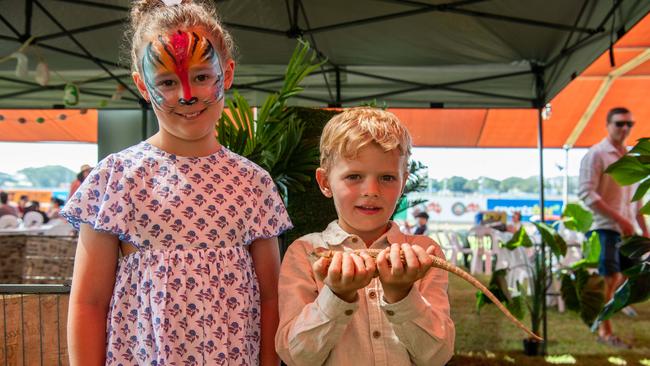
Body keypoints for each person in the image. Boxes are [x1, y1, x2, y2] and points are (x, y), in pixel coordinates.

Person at [61, 1, 292, 364]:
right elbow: (89, 303)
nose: (187, 94)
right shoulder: (118, 178)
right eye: (167, 82)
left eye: (202, 76)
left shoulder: (253, 183)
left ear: (227, 73)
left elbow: (271, 297)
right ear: (142, 85)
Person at [275, 108, 455, 366]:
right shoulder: (305, 251)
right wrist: (336, 296)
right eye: (354, 176)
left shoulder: (424, 252)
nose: (371, 191)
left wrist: (402, 293)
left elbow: (436, 356)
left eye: (387, 177)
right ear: (325, 182)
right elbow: (296, 356)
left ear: (403, 184)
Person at [578, 106, 649, 349]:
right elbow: (586, 193)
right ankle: (605, 332)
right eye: (619, 123)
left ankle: (614, 306)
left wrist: (644, 228)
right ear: (608, 124)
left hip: (629, 232)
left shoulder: (631, 157)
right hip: (605, 228)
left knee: (630, 274)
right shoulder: (596, 154)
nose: (625, 128)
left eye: (629, 124)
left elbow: (636, 199)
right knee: (608, 280)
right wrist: (620, 219)